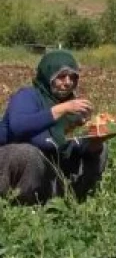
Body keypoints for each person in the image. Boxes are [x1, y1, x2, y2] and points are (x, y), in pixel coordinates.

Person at [0, 50, 107, 204]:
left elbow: (77, 148)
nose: (68, 82)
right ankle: (22, 203)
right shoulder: (28, 96)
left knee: (102, 148)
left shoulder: (74, 108)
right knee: (28, 153)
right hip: (10, 172)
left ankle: (75, 199)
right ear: (47, 76)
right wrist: (62, 109)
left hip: (51, 176)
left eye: (73, 77)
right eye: (61, 76)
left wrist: (96, 141)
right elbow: (18, 127)